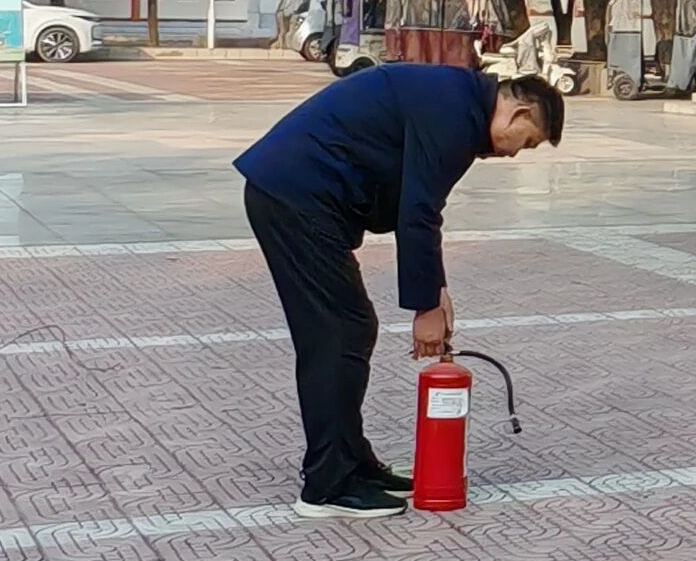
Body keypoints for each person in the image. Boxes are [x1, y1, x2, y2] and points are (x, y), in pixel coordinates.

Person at [236, 61, 567, 515]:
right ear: (519, 113)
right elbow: (418, 212)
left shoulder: (458, 104)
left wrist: (437, 288)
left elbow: (420, 202)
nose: (514, 154)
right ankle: (327, 486)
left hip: (296, 194)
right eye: (526, 143)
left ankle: (352, 464)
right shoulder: (455, 112)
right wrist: (425, 307)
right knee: (338, 332)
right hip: (295, 195)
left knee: (348, 329)